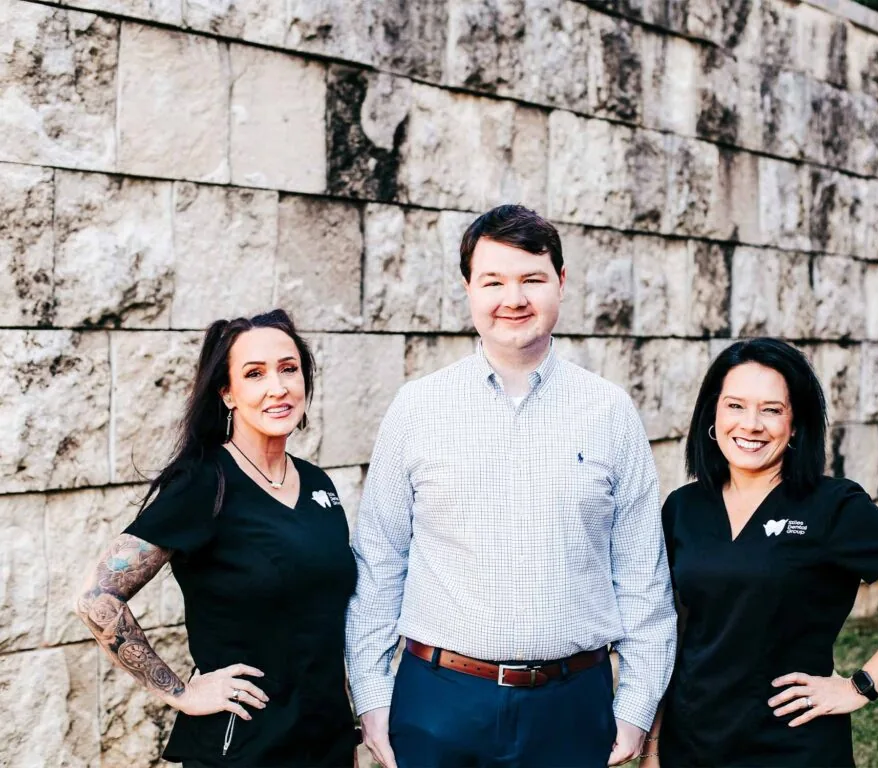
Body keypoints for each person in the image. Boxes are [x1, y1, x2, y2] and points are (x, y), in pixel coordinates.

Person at [346, 204, 677, 768]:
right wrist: (374, 697)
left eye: (532, 279)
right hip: (438, 701)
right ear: (468, 289)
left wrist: (637, 704)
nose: (513, 298)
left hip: (573, 704)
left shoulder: (609, 411)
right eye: (493, 281)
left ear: (561, 283)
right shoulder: (418, 408)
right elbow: (379, 563)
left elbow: (643, 573)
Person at [642, 338, 878, 767]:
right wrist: (654, 746)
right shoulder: (684, 508)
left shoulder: (832, 506)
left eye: (772, 409)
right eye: (735, 406)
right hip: (692, 742)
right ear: (712, 415)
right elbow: (676, 633)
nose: (751, 424)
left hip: (791, 744)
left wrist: (860, 686)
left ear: (795, 424)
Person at [74, 309, 358, 768]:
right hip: (244, 749)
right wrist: (180, 691)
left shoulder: (319, 483)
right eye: (254, 374)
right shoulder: (204, 484)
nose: (278, 387)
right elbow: (97, 597)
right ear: (227, 393)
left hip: (327, 743)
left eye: (289, 369)